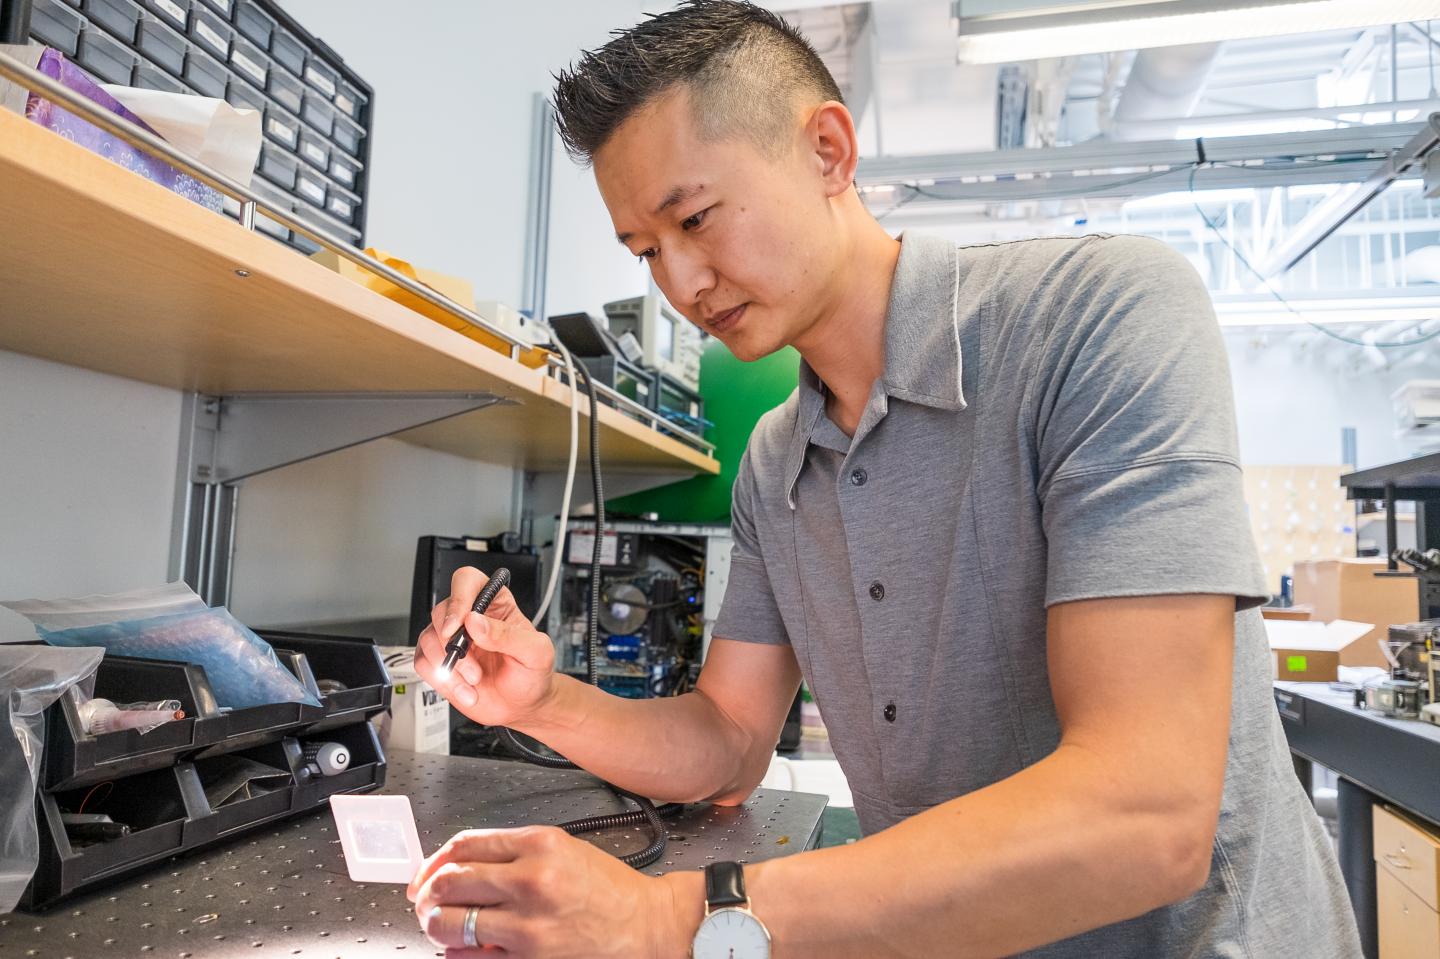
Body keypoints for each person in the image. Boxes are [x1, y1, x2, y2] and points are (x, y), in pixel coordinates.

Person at [407, 2, 1361, 956]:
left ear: (829, 151)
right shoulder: (775, 463)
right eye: (648, 252)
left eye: (695, 218)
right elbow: (730, 745)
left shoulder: (1102, 318)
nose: (685, 281)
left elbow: (1145, 816)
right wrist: (542, 701)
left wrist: (671, 916)